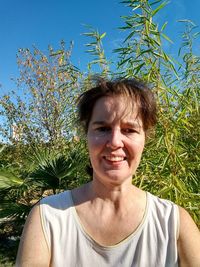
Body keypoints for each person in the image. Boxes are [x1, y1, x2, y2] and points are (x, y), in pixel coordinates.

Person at [16, 78, 200, 267]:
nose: (114, 142)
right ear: (85, 136)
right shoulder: (47, 216)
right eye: (102, 129)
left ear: (146, 138)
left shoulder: (173, 223)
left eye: (129, 130)